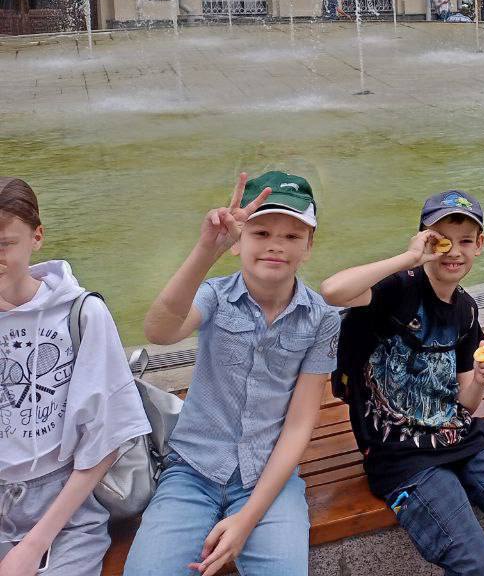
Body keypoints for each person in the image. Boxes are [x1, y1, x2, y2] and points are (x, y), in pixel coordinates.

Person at [320, 192, 484, 576]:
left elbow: (465, 406)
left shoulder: (466, 310)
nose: (454, 252)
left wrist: (482, 381)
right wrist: (409, 258)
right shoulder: (396, 289)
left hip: (460, 436)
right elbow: (333, 290)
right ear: (424, 240)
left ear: (479, 246)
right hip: (399, 453)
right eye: (442, 241)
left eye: (466, 241)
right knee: (476, 564)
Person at [123, 172, 341, 576]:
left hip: (268, 480)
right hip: (191, 470)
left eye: (293, 237)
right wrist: (207, 249)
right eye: (261, 233)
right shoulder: (213, 296)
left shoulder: (322, 320)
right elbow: (159, 330)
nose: (276, 244)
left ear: (309, 246)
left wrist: (246, 521)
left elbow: (298, 428)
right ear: (239, 240)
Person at [0, 178, 151, 576]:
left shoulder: (82, 314)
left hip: (67, 508)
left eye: (3, 245)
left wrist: (33, 547)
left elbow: (105, 441)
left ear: (37, 237)